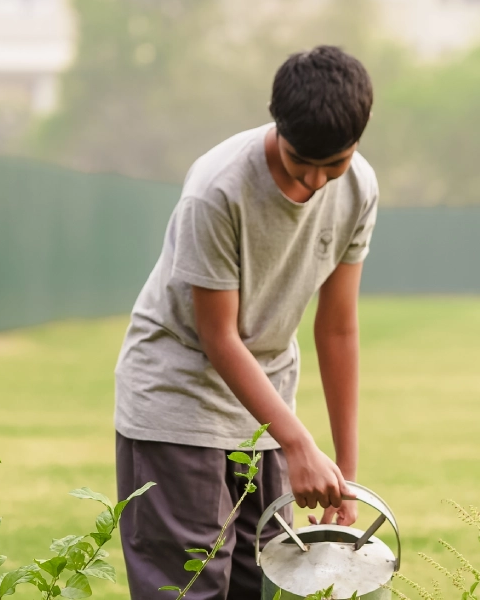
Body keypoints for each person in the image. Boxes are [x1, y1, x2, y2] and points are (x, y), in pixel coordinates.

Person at [112, 45, 379, 600]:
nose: (316, 179)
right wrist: (299, 443)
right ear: (276, 122)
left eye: (334, 163)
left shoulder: (358, 188)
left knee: (264, 586)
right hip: (179, 403)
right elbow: (219, 336)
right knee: (190, 588)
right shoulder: (218, 190)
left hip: (266, 413)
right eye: (300, 159)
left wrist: (343, 475)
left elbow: (337, 330)